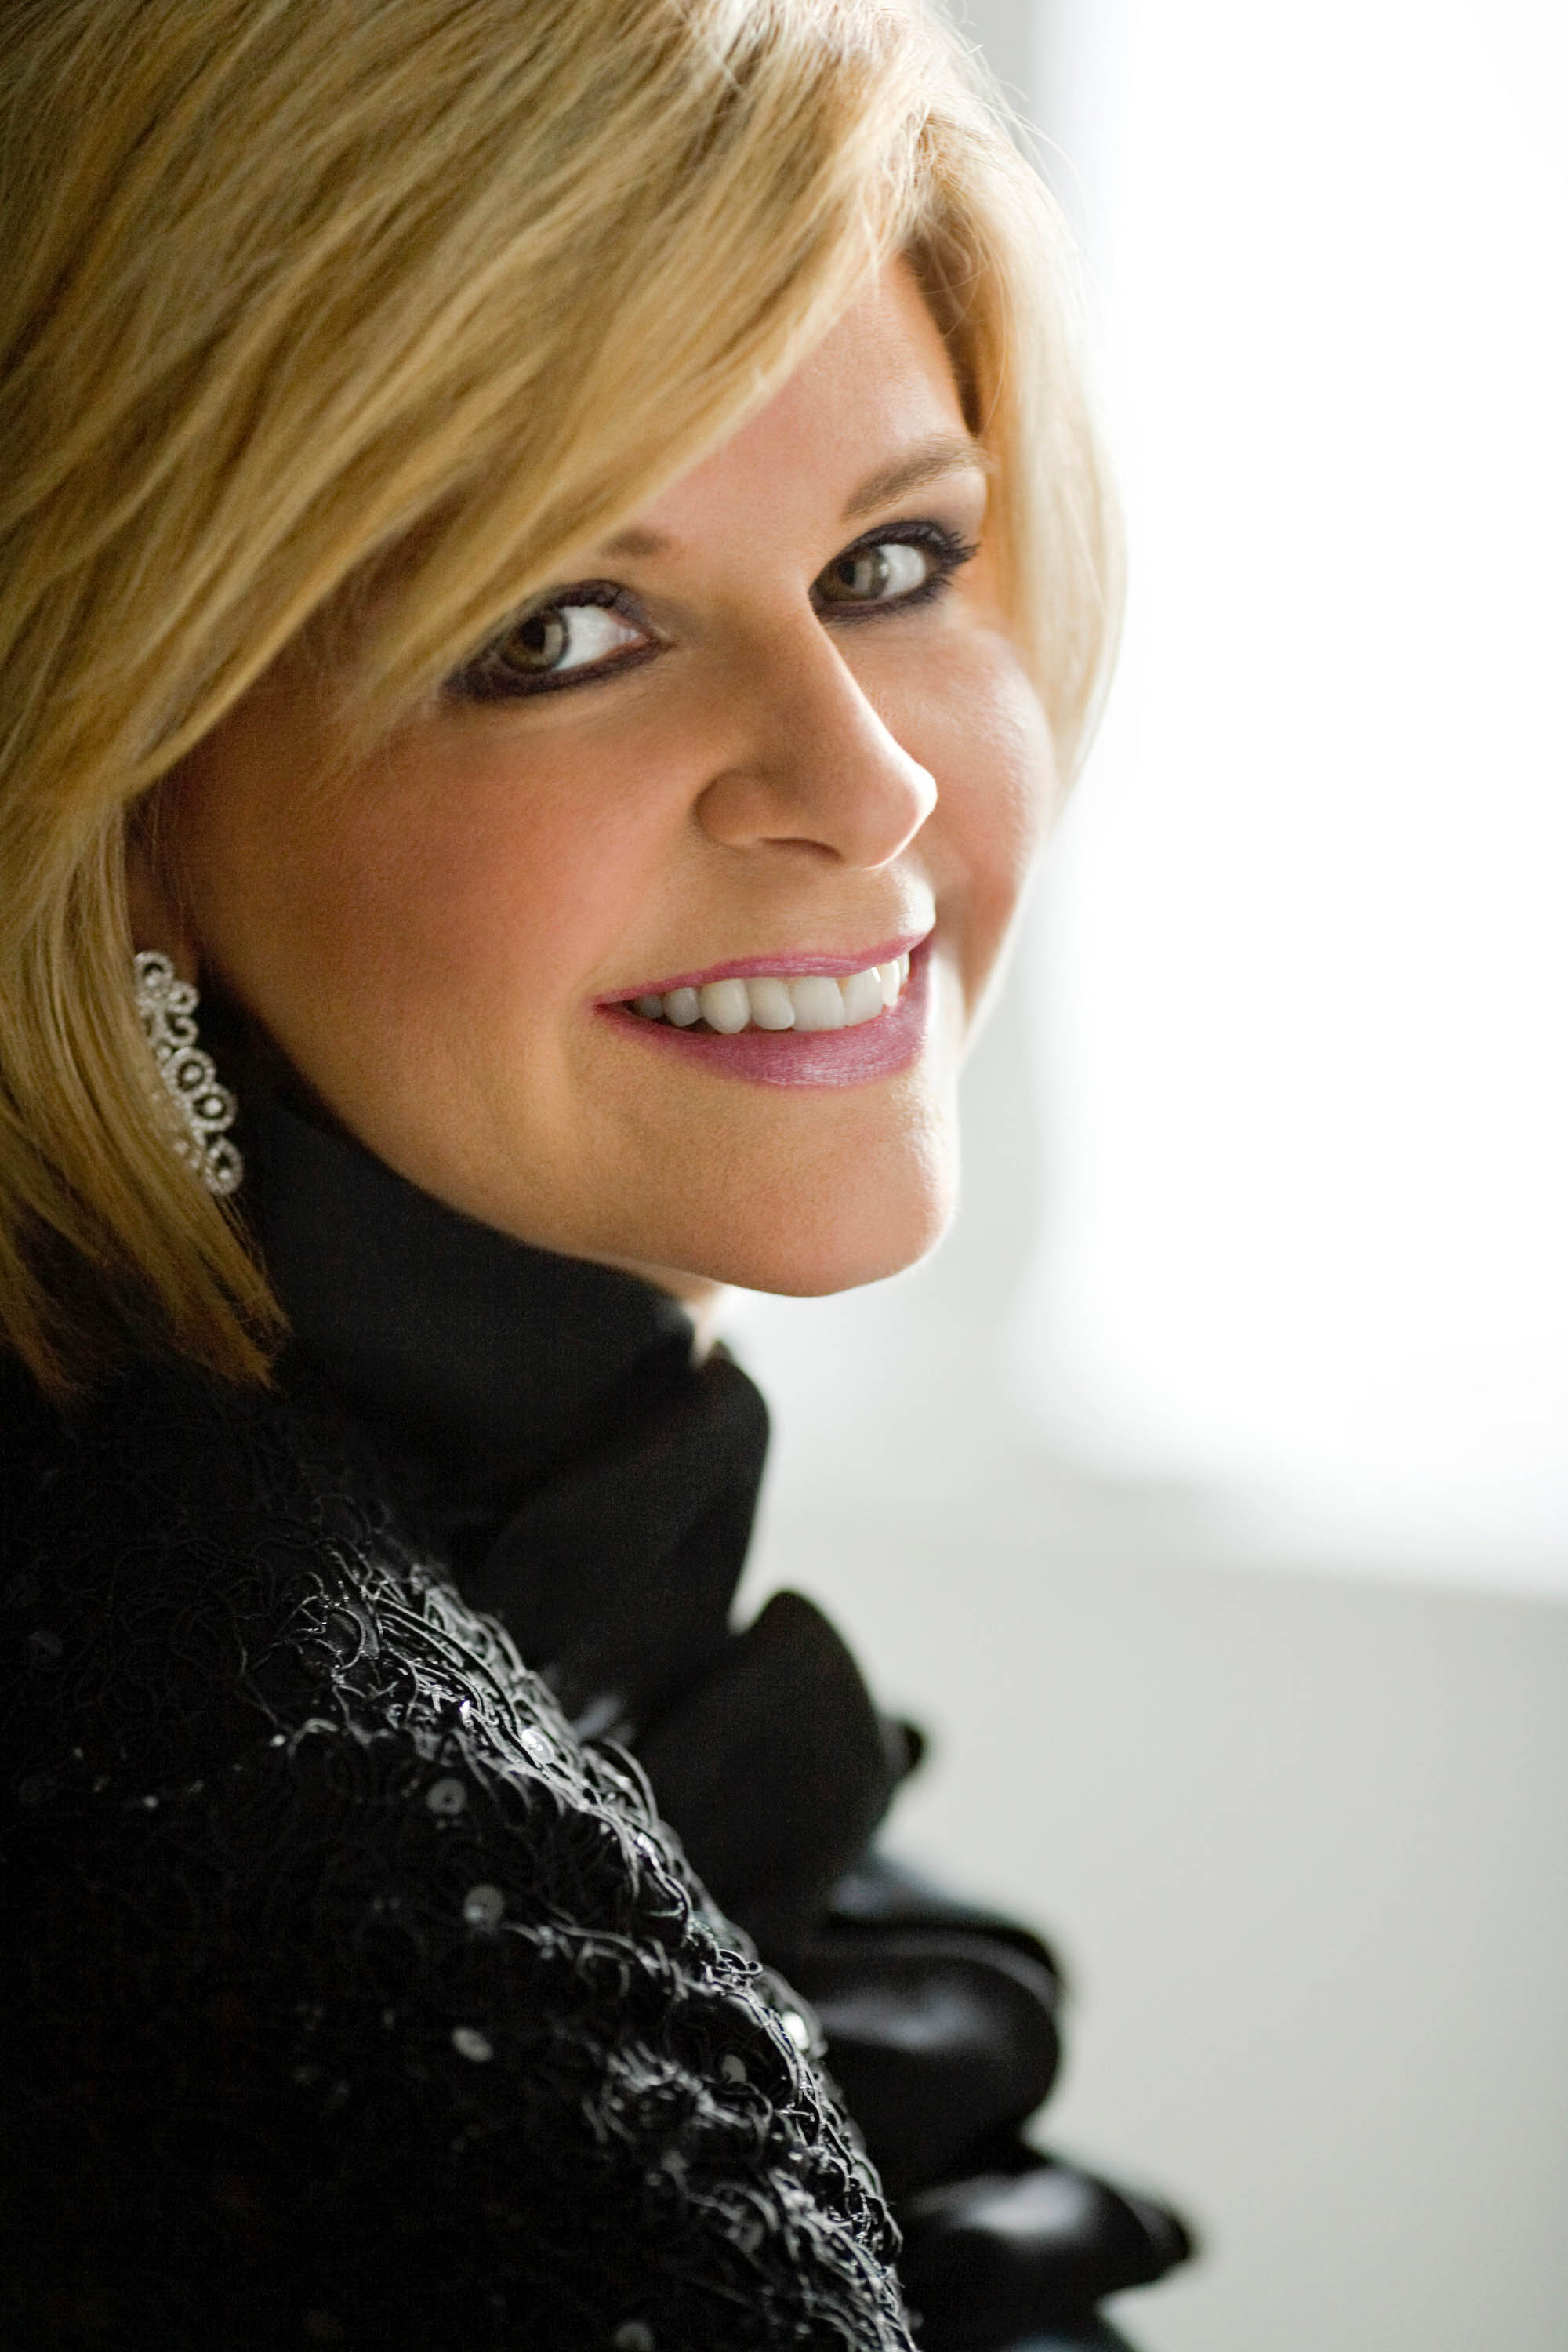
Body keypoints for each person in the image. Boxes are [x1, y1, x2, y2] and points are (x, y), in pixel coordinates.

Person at [0, 0, 1192, 2343]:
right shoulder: (305, 1849)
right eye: (561, 629)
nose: (863, 783)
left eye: (892, 561)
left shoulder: (455, 1620)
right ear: (120, 777)